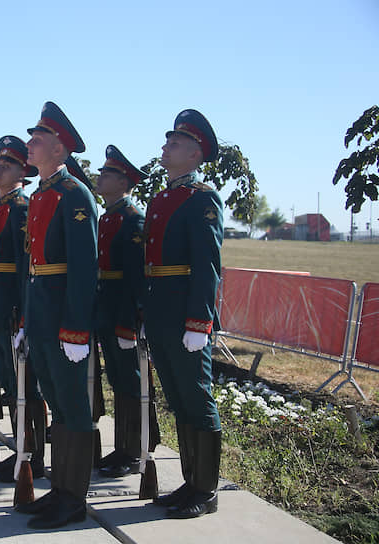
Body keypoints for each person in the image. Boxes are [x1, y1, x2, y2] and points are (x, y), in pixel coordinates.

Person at [13, 102, 98, 529]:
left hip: (65, 322)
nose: (30, 144)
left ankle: (74, 499)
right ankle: (60, 490)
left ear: (60, 148)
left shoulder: (74, 195)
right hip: (42, 317)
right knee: (57, 406)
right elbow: (33, 266)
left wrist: (76, 328)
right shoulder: (41, 195)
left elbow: (84, 268)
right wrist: (28, 322)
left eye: (38, 138)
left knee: (74, 408)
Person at [144, 109, 223, 519]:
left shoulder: (202, 199)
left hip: (184, 315)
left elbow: (207, 265)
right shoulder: (162, 198)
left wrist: (199, 322)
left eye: (174, 143)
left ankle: (206, 490)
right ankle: (190, 481)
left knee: (196, 396)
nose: (165, 147)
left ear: (195, 155)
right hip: (160, 311)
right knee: (177, 397)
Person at [0, 135, 46, 482]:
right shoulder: (1, 207)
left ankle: (32, 454)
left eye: (7, 165)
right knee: (9, 380)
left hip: (13, 307)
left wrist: (22, 315)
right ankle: (20, 448)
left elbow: (24, 267)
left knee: (25, 384)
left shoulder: (21, 207)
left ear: (24, 171)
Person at [92, 145, 150, 478]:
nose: (101, 177)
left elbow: (135, 277)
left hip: (122, 311)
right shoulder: (108, 217)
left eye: (108, 173)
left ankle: (135, 449)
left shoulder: (132, 219)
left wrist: (130, 321)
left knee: (130, 381)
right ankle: (123, 447)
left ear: (123, 180)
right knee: (117, 379)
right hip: (106, 306)